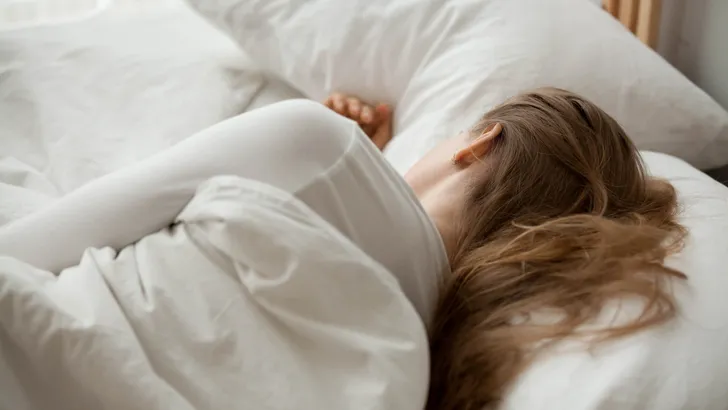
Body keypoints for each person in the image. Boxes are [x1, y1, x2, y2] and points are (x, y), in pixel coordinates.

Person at [0, 88, 685, 409]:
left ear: (481, 143)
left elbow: (39, 243)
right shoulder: (430, 356)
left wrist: (336, 153)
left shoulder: (316, 143)